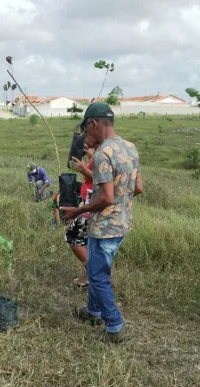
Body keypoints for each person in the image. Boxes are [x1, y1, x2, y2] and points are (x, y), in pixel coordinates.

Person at [61, 102, 143, 343]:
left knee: (97, 277)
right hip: (123, 223)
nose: (86, 135)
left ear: (94, 124)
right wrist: (120, 202)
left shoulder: (103, 154)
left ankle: (114, 324)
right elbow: (138, 187)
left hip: (104, 227)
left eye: (86, 129)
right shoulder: (130, 148)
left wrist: (78, 210)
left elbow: (106, 197)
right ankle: (93, 311)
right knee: (97, 268)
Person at [65, 140, 96, 287]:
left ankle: (92, 273)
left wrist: (85, 167)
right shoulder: (96, 155)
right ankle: (94, 273)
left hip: (92, 204)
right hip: (87, 202)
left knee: (72, 236)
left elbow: (101, 179)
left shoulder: (101, 156)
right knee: (88, 240)